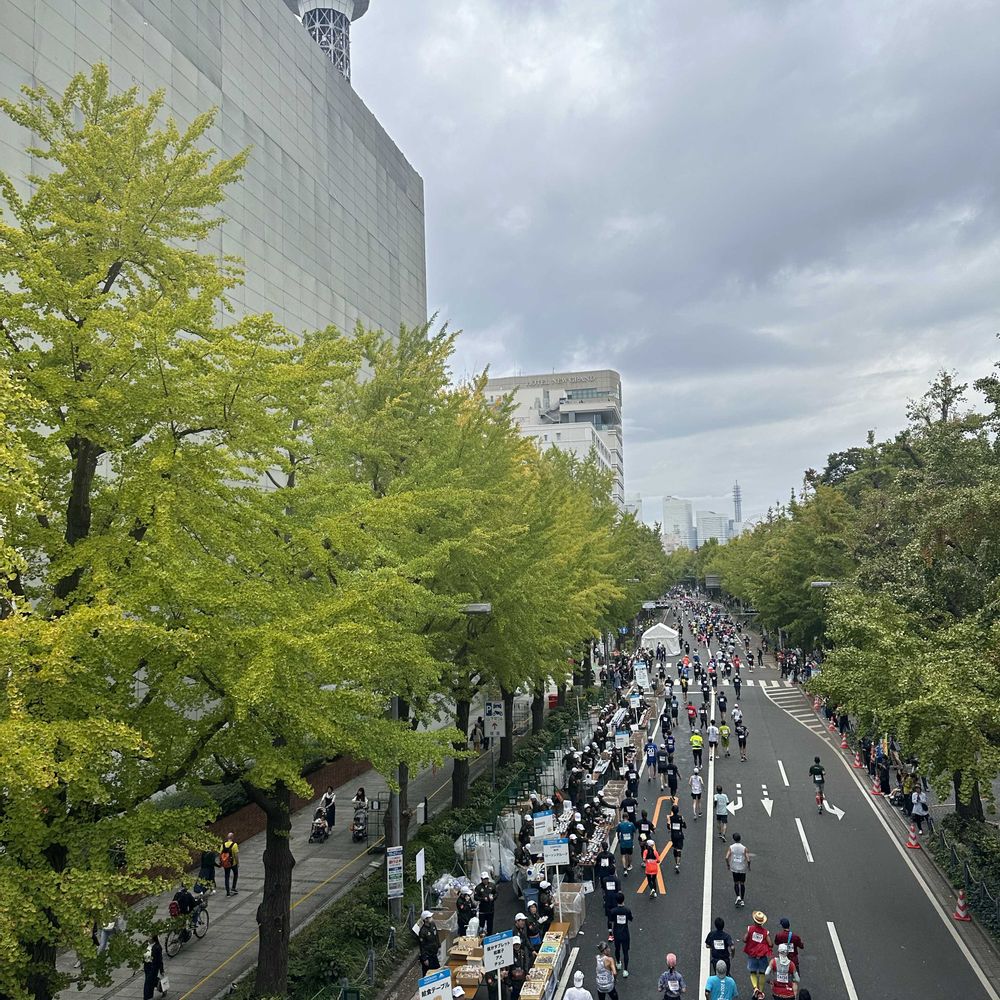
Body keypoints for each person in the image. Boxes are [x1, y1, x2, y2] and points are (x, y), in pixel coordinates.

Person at [743, 911, 773, 997]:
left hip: (752, 954)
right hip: (761, 956)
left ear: (754, 921)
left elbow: (745, 939)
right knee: (762, 973)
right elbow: (770, 944)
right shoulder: (765, 932)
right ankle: (761, 990)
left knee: (753, 972)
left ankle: (755, 987)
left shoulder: (750, 929)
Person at [608, 892, 633, 976]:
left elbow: (610, 920)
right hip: (625, 933)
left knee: (617, 949)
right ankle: (625, 970)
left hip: (617, 933)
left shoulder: (613, 911)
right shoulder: (627, 910)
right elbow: (631, 918)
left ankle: (618, 963)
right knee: (625, 952)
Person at [725, 834, 749, 907]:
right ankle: (742, 899)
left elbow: (726, 857)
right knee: (742, 883)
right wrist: (748, 866)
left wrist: (728, 865)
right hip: (742, 868)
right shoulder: (744, 848)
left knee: (736, 882)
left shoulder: (731, 847)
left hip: (734, 867)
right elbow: (748, 859)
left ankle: (737, 896)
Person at [142, 933, 165, 1000]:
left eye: (150, 936)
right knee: (152, 981)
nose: (148, 937)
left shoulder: (157, 947)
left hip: (154, 967)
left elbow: (160, 960)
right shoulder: (145, 944)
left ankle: (147, 997)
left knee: (148, 983)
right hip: (147, 966)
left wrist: (161, 970)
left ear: (153, 938)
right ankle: (162, 987)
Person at [668, 804, 686, 873]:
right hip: (679, 835)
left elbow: (668, 826)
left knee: (675, 848)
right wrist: (683, 822)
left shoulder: (671, 818)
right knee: (679, 849)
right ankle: (677, 864)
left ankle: (676, 863)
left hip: (673, 835)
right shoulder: (680, 817)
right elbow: (685, 826)